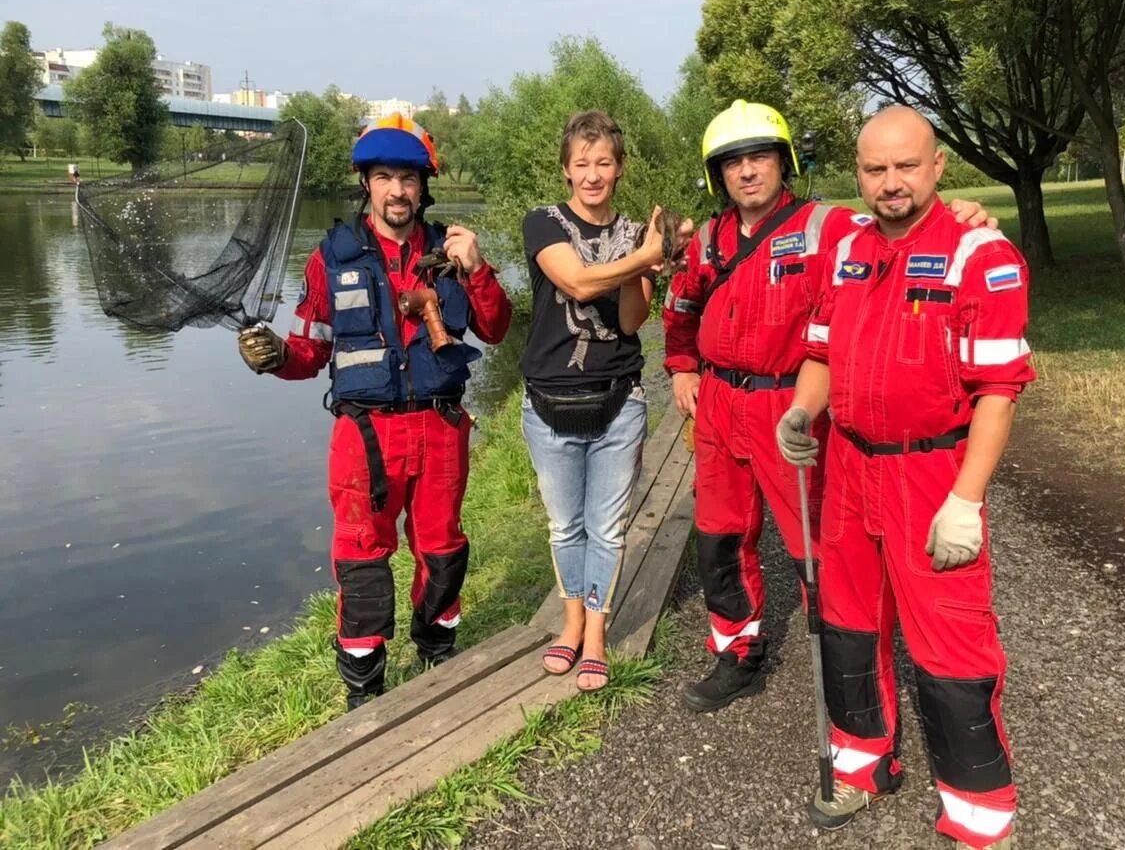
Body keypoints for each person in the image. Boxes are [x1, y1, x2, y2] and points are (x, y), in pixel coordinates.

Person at [663, 100, 994, 713]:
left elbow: (903, 226)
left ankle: (843, 654)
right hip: (717, 405)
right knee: (719, 536)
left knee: (817, 541)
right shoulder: (707, 239)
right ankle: (737, 651)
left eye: (760, 156)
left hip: (793, 401)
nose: (747, 172)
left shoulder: (831, 226)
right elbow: (681, 309)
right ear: (718, 175)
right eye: (732, 162)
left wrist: (963, 214)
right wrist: (683, 366)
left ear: (783, 162)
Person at [778, 105, 1033, 849]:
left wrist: (965, 499)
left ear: (937, 166)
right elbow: (821, 352)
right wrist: (801, 412)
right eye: (874, 168)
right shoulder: (848, 251)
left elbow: (998, 391)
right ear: (858, 172)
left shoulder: (981, 254)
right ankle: (862, 768)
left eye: (906, 166)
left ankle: (979, 813)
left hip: (932, 473)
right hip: (850, 467)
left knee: (952, 645)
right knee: (849, 624)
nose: (890, 183)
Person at [237, 112, 512, 710]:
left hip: (441, 426)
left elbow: (496, 327)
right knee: (361, 558)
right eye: (384, 176)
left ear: (423, 186)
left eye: (408, 178)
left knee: (442, 548)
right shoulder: (330, 259)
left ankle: (438, 658)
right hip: (365, 435)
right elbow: (310, 352)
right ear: (366, 182)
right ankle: (365, 693)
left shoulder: (449, 250)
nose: (397, 191)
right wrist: (276, 355)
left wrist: (479, 267)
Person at [521, 109, 692, 693]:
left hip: (619, 400)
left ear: (618, 169)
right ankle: (569, 626)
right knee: (565, 527)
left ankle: (596, 633)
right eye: (581, 163)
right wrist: (645, 259)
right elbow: (574, 283)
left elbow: (630, 318)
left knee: (608, 529)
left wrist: (649, 261)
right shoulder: (541, 221)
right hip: (548, 402)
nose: (592, 174)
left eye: (604, 163)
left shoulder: (634, 237)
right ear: (566, 170)